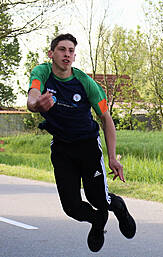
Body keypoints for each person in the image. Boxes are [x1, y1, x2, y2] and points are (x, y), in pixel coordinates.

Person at [27, 33, 136, 252]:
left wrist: (113, 157)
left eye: (70, 51)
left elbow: (106, 119)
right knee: (72, 208)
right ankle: (98, 221)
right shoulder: (42, 72)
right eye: (61, 50)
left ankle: (119, 208)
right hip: (62, 148)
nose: (67, 54)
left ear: (74, 57)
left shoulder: (86, 83)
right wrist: (37, 103)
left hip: (87, 147)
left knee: (99, 199)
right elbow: (32, 97)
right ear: (51, 54)